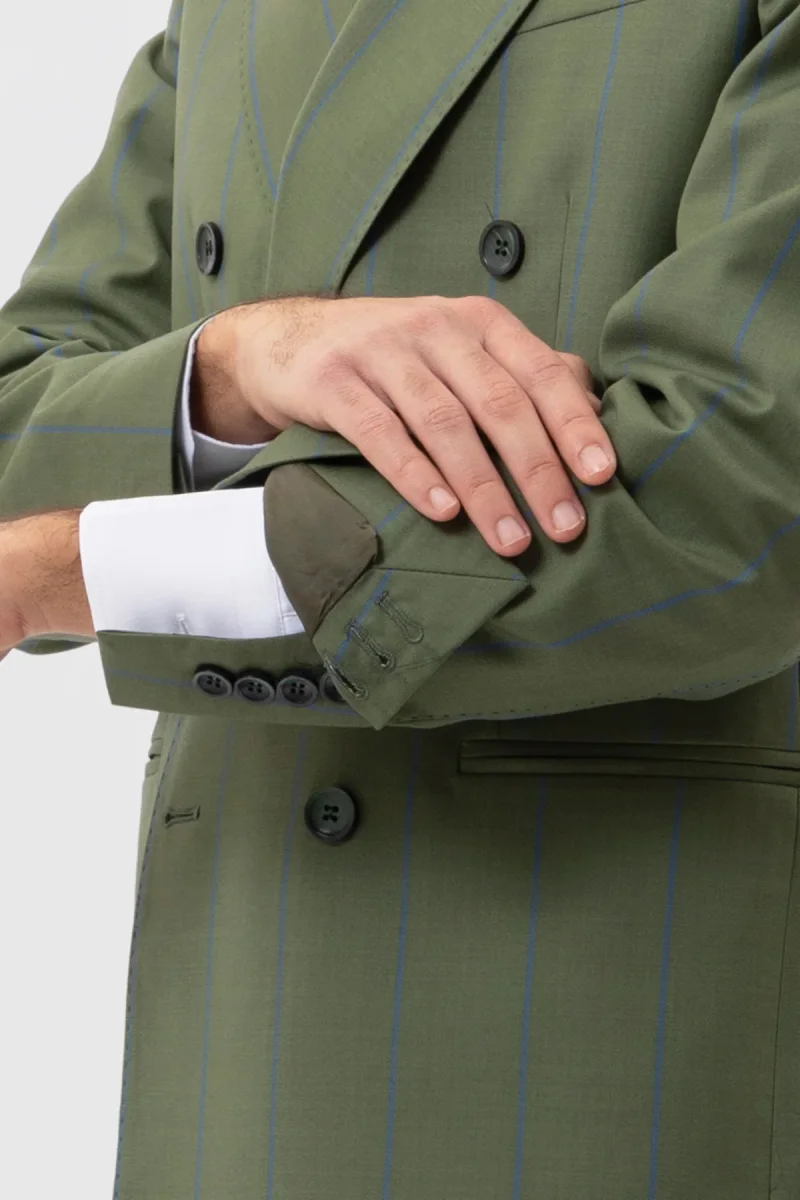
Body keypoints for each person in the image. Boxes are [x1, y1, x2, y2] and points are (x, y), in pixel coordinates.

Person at [1, 0, 799, 1195]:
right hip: (234, 992)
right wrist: (233, 366)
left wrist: (80, 570)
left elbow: (736, 494)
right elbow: (18, 419)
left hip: (592, 998)